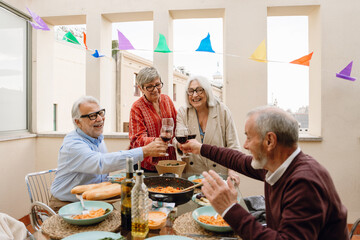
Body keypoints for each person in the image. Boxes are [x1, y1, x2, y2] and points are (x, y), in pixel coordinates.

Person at [180, 106, 348, 240]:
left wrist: (230, 208)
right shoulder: (278, 165)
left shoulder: (304, 182)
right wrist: (200, 148)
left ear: (270, 141)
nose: (245, 145)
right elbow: (237, 159)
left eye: (248, 137)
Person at [50, 96, 167, 209]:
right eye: (92, 116)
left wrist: (130, 151)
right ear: (78, 122)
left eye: (100, 113)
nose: (100, 119)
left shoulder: (96, 137)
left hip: (92, 202)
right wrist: (144, 151)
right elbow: (101, 163)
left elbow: (104, 161)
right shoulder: (73, 145)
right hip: (66, 204)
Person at [176, 75, 241, 180]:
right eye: (191, 91)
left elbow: (233, 146)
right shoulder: (183, 112)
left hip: (219, 175)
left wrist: (232, 171)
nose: (195, 95)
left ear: (207, 91)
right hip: (193, 176)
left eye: (199, 90)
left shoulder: (222, 111)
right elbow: (178, 139)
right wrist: (179, 145)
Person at [129, 67, 177, 172]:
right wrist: (158, 141)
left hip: (170, 162)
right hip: (148, 166)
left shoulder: (167, 100)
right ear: (141, 88)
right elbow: (136, 140)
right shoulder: (137, 107)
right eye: (150, 87)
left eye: (157, 85)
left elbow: (177, 125)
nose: (155, 90)